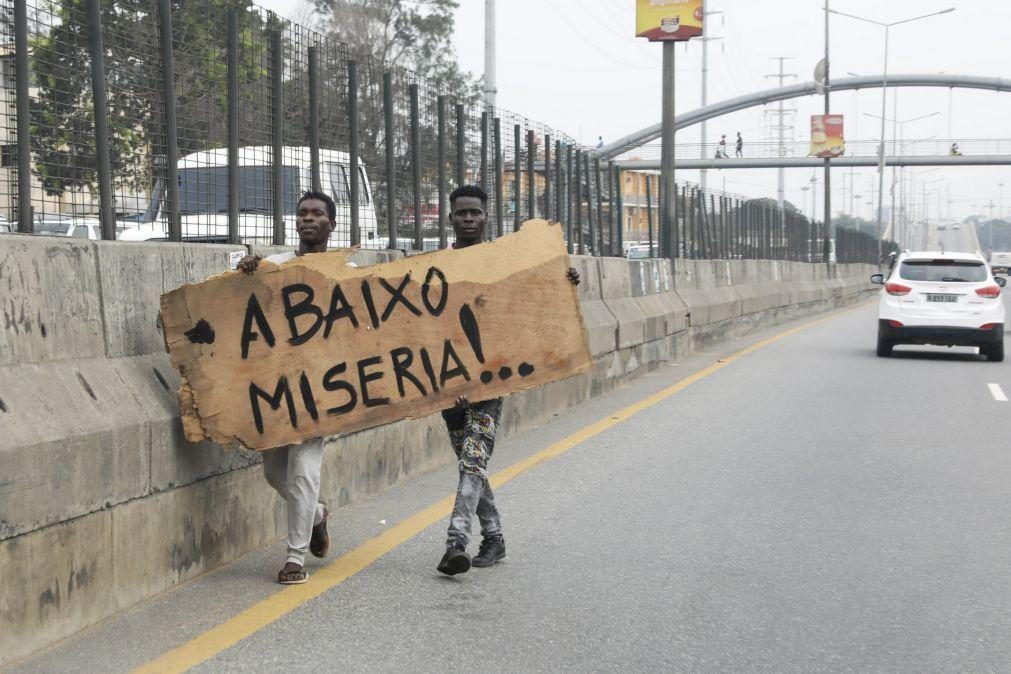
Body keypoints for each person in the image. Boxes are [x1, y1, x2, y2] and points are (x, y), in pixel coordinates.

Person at [436, 185, 580, 576]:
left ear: (486, 218)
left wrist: (562, 281)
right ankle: (495, 538)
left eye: (475, 213)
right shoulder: (436, 268)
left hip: (490, 383)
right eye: (462, 212)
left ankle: (456, 543)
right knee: (472, 463)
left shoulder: (503, 262)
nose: (469, 218)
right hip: (448, 386)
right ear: (451, 218)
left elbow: (533, 299)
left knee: (471, 461)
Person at [236, 191, 343, 585]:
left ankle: (295, 558)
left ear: (332, 224)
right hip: (277, 388)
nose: (308, 219)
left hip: (322, 390)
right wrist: (245, 268)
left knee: (302, 471)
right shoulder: (274, 266)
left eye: (317, 214)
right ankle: (316, 515)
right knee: (274, 473)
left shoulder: (342, 270)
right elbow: (233, 295)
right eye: (302, 214)